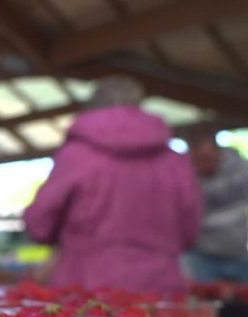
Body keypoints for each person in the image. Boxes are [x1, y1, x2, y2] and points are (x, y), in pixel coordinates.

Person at [23, 76, 203, 294]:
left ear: (93, 106)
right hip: (160, 286)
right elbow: (190, 226)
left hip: (85, 286)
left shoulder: (77, 155)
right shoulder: (175, 161)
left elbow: (40, 220)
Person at [184, 126, 248, 282]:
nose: (204, 164)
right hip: (202, 254)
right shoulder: (184, 175)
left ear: (218, 151)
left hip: (237, 251)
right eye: (197, 159)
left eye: (207, 157)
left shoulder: (241, 170)